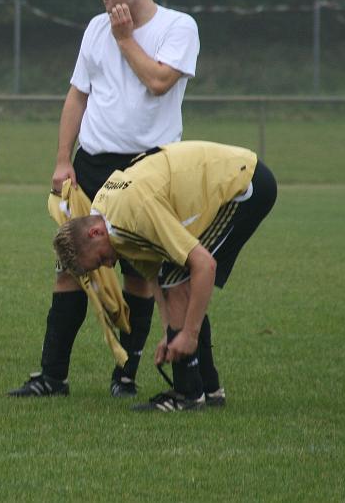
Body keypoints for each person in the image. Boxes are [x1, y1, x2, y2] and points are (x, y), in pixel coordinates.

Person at [9, 0, 200, 399]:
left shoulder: (178, 26)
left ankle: (125, 375)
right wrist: (62, 159)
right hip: (91, 166)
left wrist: (125, 39)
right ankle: (52, 376)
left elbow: (158, 82)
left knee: (138, 275)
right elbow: (78, 96)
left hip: (149, 169)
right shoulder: (96, 28)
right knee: (69, 266)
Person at [52, 141, 277, 411]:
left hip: (243, 184)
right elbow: (157, 279)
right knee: (172, 276)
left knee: (182, 274)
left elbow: (204, 266)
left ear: (95, 234)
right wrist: (171, 335)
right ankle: (209, 389)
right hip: (234, 176)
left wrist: (189, 334)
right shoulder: (106, 214)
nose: (108, 266)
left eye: (100, 260)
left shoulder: (131, 214)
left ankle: (189, 394)